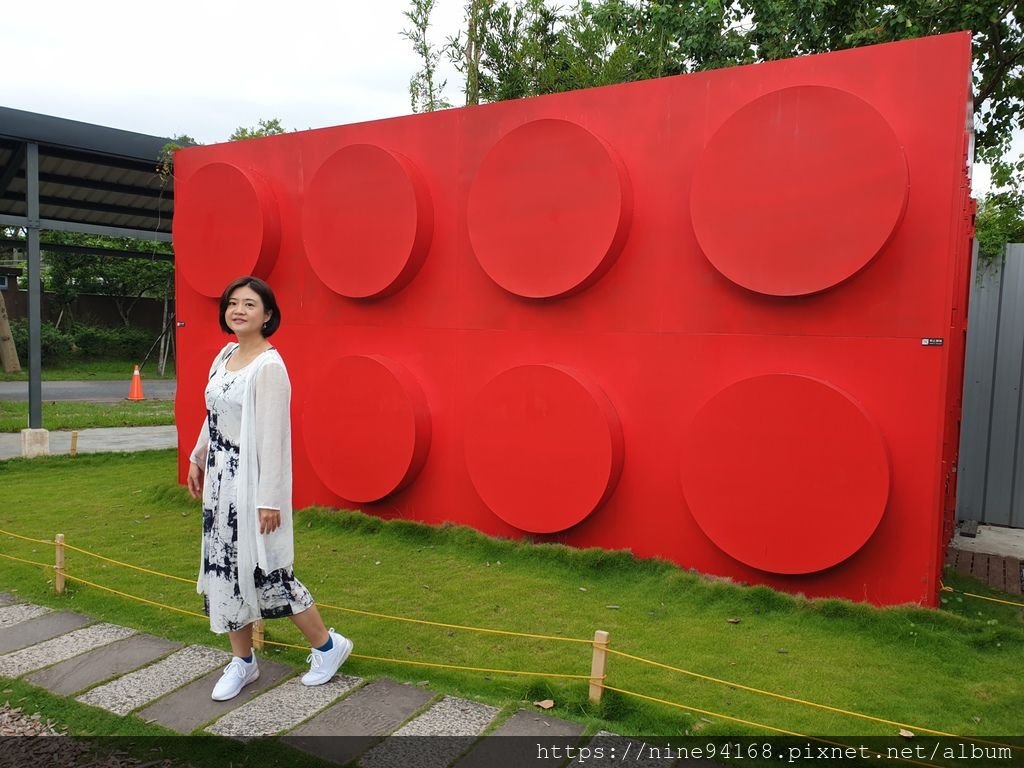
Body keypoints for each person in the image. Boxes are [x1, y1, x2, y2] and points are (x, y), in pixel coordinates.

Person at [187, 275, 353, 701]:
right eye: (232, 303)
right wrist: (197, 456)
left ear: (268, 315)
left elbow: (276, 440)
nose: (238, 310)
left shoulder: (269, 367)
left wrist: (270, 501)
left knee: (268, 570)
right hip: (220, 481)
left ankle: (328, 647)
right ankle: (243, 662)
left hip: (251, 483)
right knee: (224, 569)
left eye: (249, 304)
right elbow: (214, 413)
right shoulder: (225, 356)